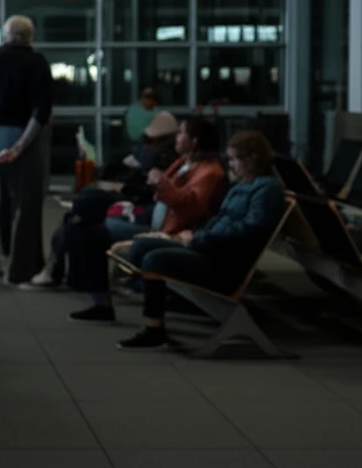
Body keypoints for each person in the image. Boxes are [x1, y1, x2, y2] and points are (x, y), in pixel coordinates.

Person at [112, 130, 286, 350]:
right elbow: (220, 220)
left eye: (234, 159)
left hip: (224, 263)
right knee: (141, 246)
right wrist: (194, 235)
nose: (231, 165)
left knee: (154, 259)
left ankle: (154, 329)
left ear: (252, 159)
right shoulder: (242, 186)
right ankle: (159, 306)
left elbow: (248, 231)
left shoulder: (267, 190)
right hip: (209, 248)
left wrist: (198, 238)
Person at [63, 118, 227, 314]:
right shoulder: (185, 162)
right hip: (154, 222)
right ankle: (95, 297)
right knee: (81, 219)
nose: (177, 136)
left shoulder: (209, 172)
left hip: (167, 233)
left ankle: (98, 300)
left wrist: (163, 183)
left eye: (182, 133)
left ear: (195, 141)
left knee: (90, 228)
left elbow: (193, 207)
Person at [0, 14, 54, 289]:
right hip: (23, 137)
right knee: (27, 204)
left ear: (6, 34)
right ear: (30, 35)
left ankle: (6, 257)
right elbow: (41, 111)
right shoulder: (37, 63)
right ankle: (22, 269)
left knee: (1, 202)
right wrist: (20, 146)